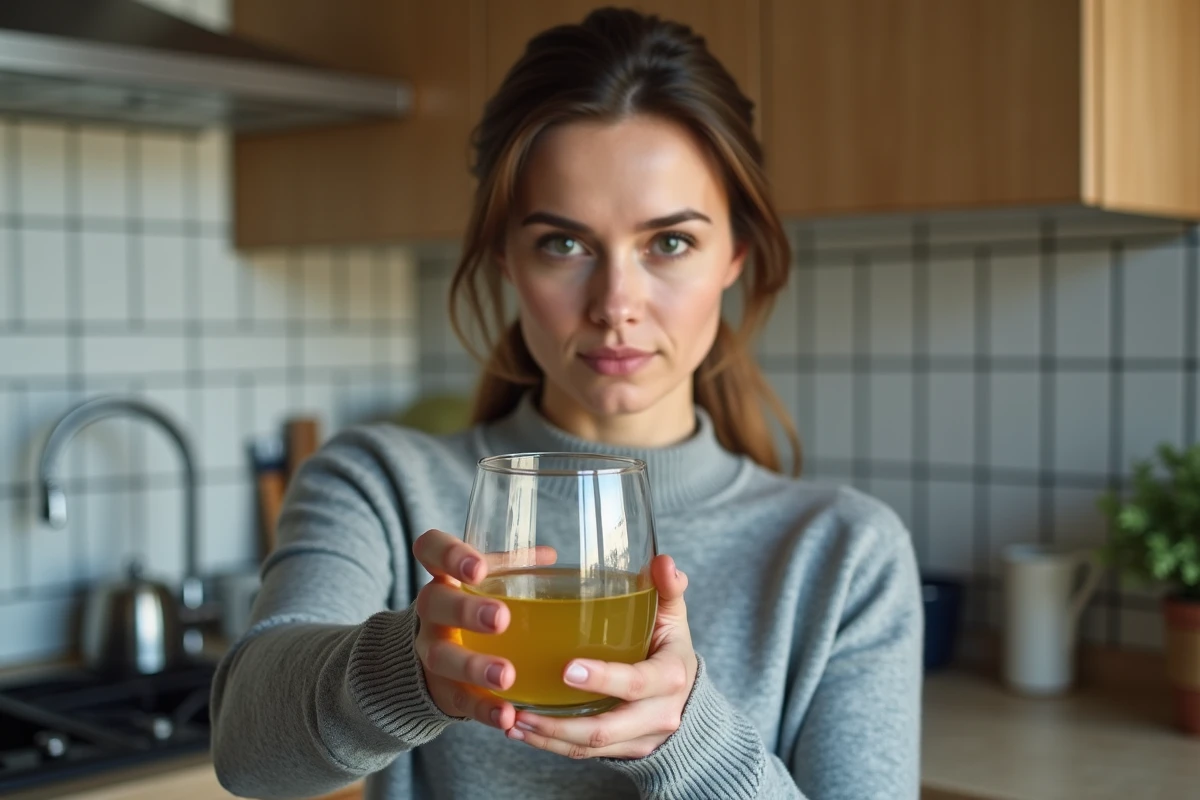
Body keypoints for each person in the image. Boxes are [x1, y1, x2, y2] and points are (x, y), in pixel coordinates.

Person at [211, 8, 922, 799]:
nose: (616, 303)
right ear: (506, 262)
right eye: (564, 243)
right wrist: (407, 671)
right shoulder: (382, 484)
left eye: (670, 243)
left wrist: (689, 738)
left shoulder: (845, 555)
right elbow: (245, 753)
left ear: (736, 257)